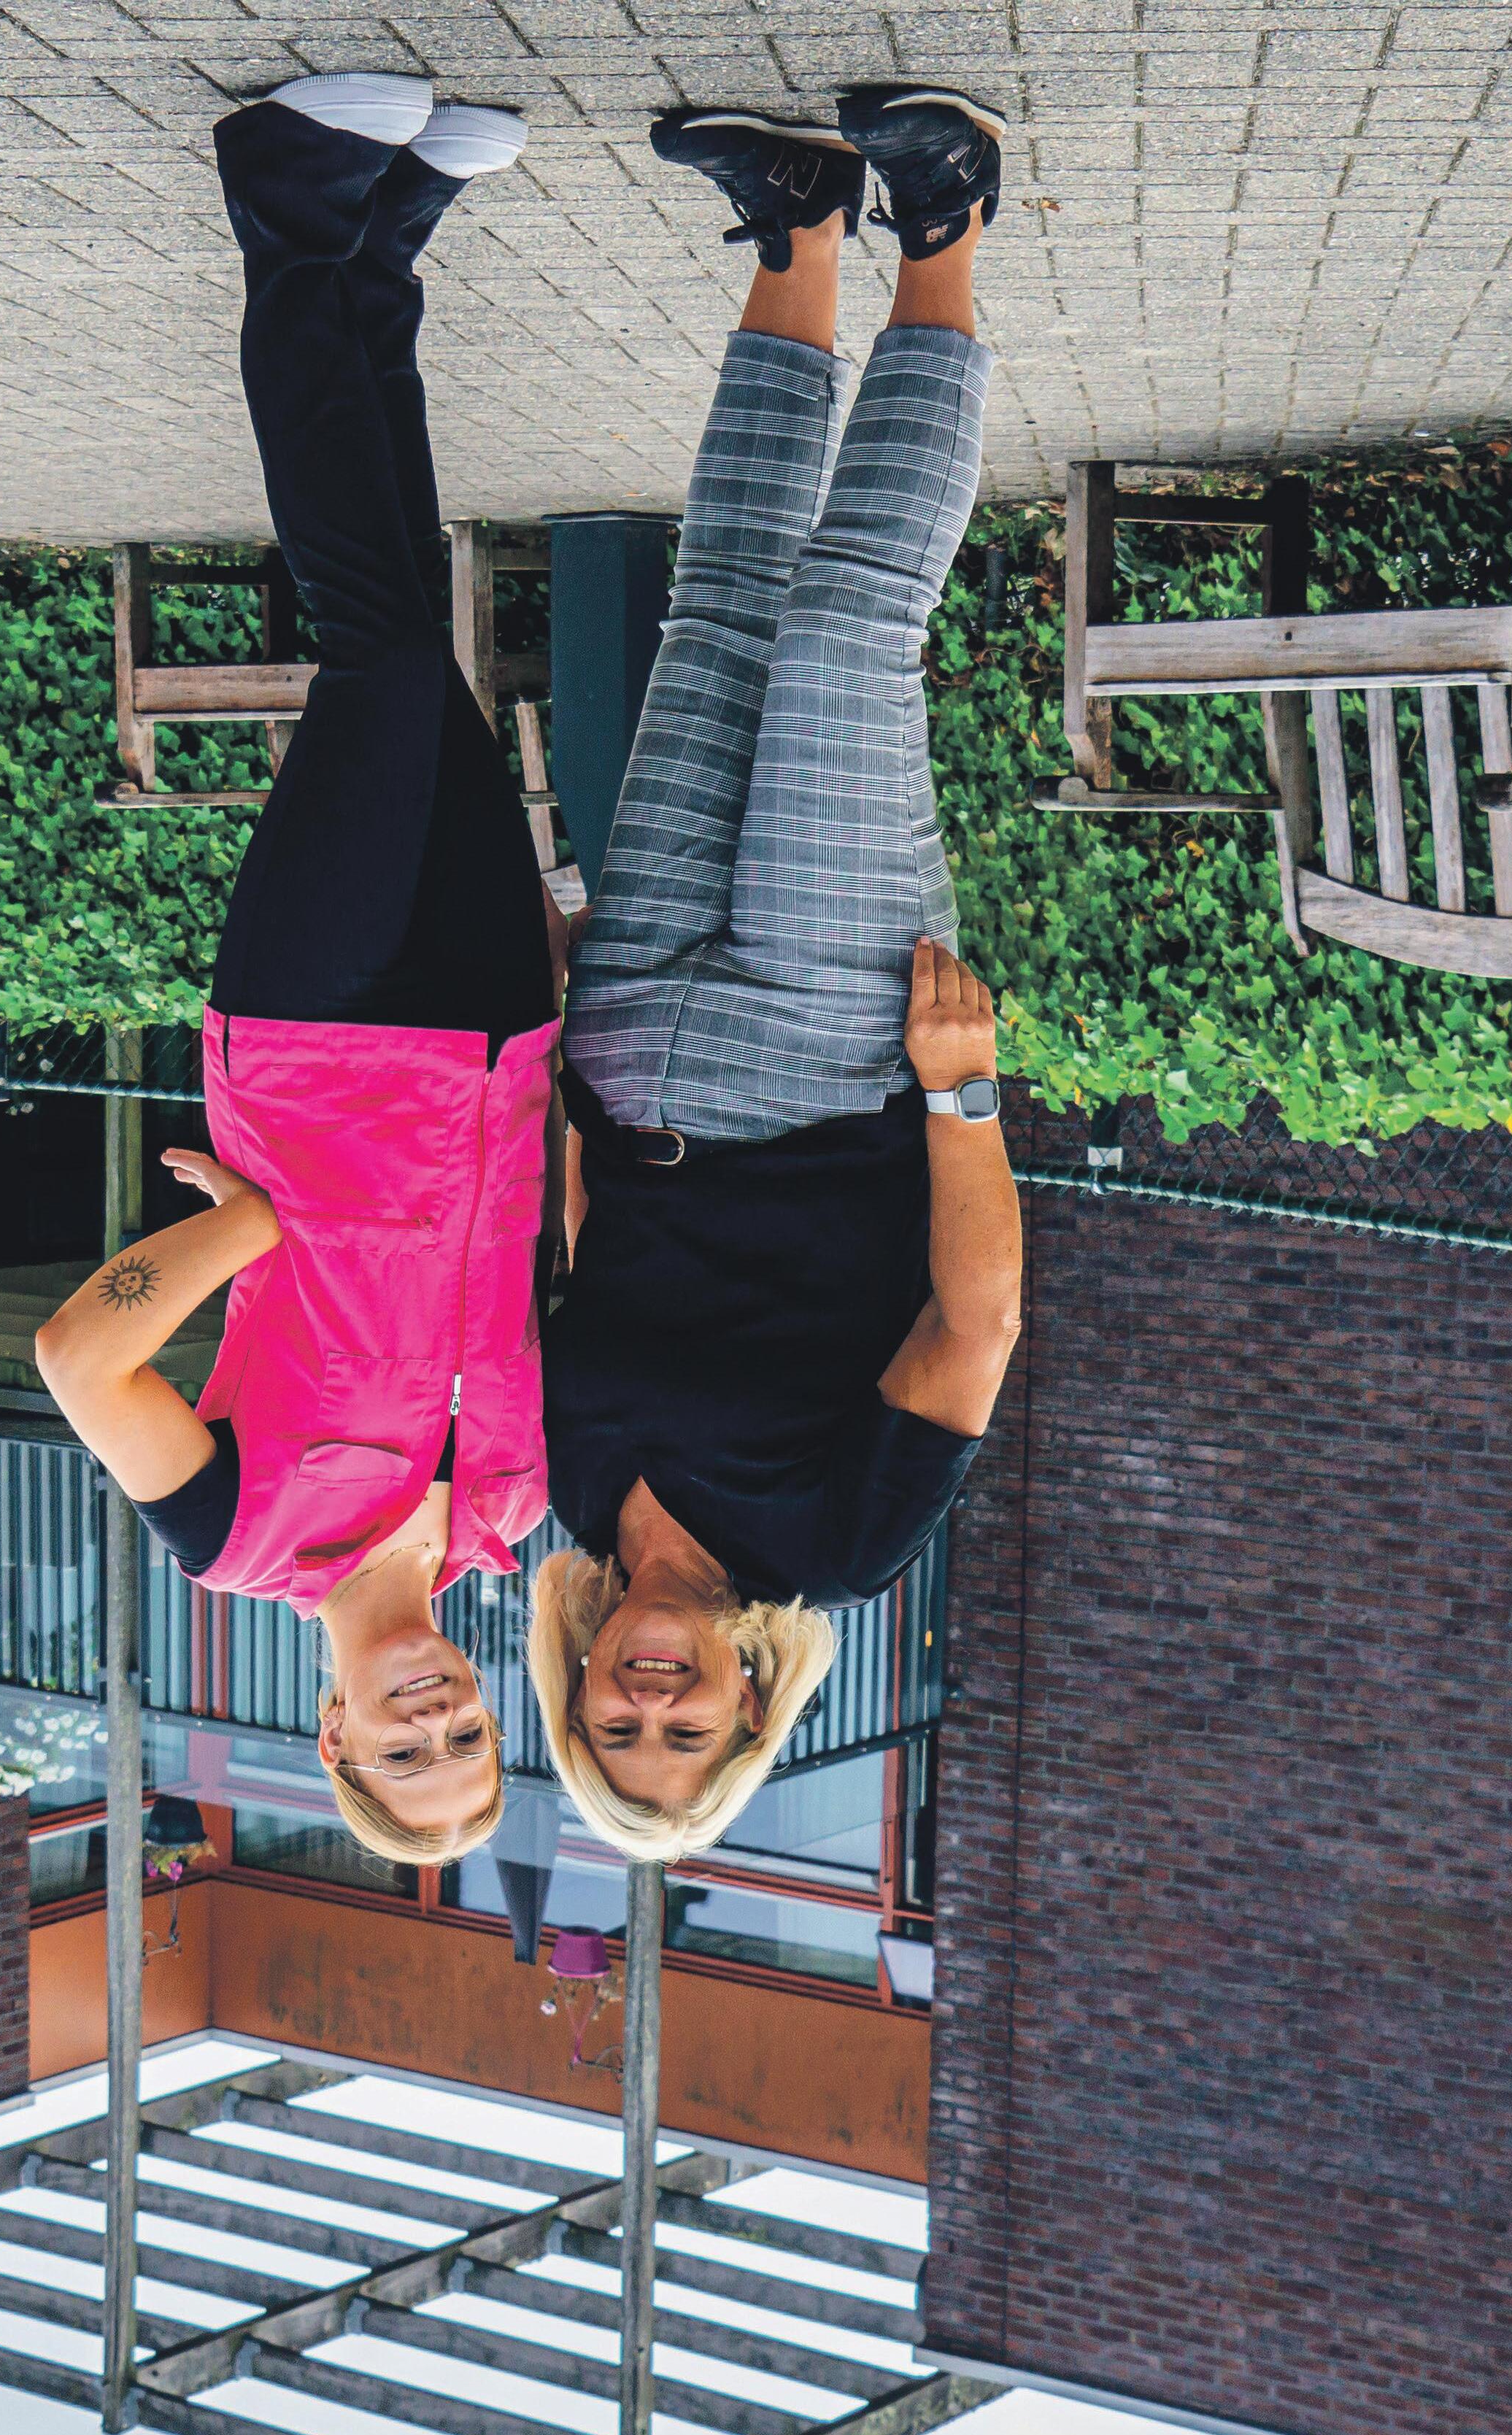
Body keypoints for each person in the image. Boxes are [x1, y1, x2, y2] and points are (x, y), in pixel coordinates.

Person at [36, 73, 564, 1868]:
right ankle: (380, 257)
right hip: (491, 1043)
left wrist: (249, 1232)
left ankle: (289, 201)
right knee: (425, 653)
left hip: (319, 1042)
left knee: (381, 659)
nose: (440, 1718)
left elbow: (81, 1364)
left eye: (409, 1753)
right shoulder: (509, 1512)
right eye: (471, 1738)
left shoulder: (240, 1540)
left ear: (335, 1735)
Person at [531, 89, 1025, 1862]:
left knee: (724, 607)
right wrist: (962, 1099)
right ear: (750, 1708)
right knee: (843, 639)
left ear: (583, 1688)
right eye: (683, 1735)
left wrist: (557, 1038)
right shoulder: (838, 1546)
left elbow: (576, 1249)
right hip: (826, 1057)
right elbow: (973, 1327)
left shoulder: (570, 1505)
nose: (650, 1704)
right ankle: (942, 228)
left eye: (617, 1728)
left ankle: (799, 225)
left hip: (636, 1030)